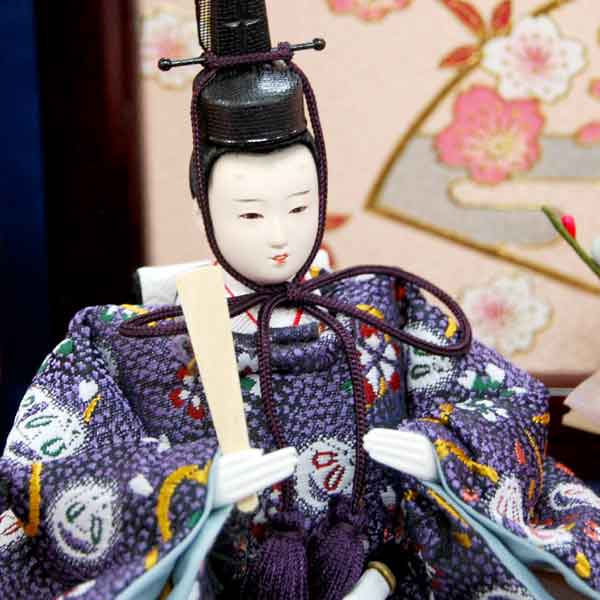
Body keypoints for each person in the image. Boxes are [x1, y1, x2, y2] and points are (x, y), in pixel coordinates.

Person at [1, 2, 599, 599]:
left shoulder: (385, 307)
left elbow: (508, 398)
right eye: (250, 214)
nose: (280, 235)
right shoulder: (134, 342)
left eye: (298, 205)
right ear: (204, 204)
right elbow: (46, 467)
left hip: (378, 577)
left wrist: (440, 453)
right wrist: (191, 485)